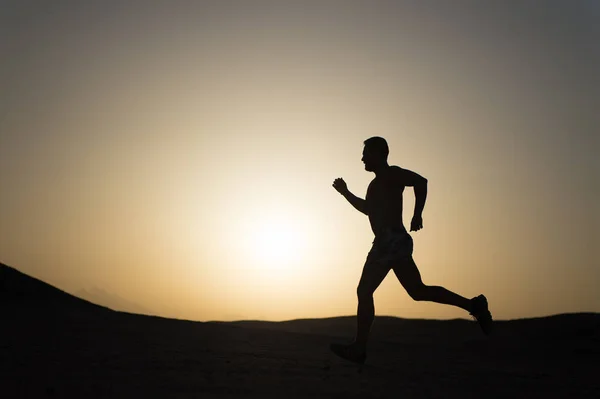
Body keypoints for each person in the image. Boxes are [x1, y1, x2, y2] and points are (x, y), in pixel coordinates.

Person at [330, 137, 493, 364]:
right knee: (417, 291)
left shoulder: (392, 174)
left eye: (366, 153)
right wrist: (345, 193)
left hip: (390, 242)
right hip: (388, 242)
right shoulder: (375, 185)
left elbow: (420, 181)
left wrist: (418, 214)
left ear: (379, 154)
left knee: (365, 291)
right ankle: (473, 305)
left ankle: (359, 348)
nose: (363, 158)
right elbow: (368, 209)